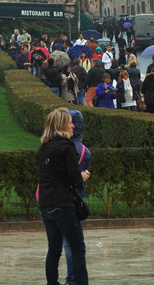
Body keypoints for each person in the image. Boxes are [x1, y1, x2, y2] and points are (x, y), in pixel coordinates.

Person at [37, 108, 91, 285]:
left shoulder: (44, 147)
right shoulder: (66, 146)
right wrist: (82, 176)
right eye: (69, 122)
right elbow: (74, 177)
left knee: (53, 249)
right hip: (63, 204)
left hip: (45, 203)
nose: (73, 125)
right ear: (62, 126)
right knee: (77, 248)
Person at [62, 110, 92, 285]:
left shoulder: (62, 147)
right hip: (78, 197)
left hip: (63, 197)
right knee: (75, 242)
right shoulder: (85, 151)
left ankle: (71, 278)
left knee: (66, 243)